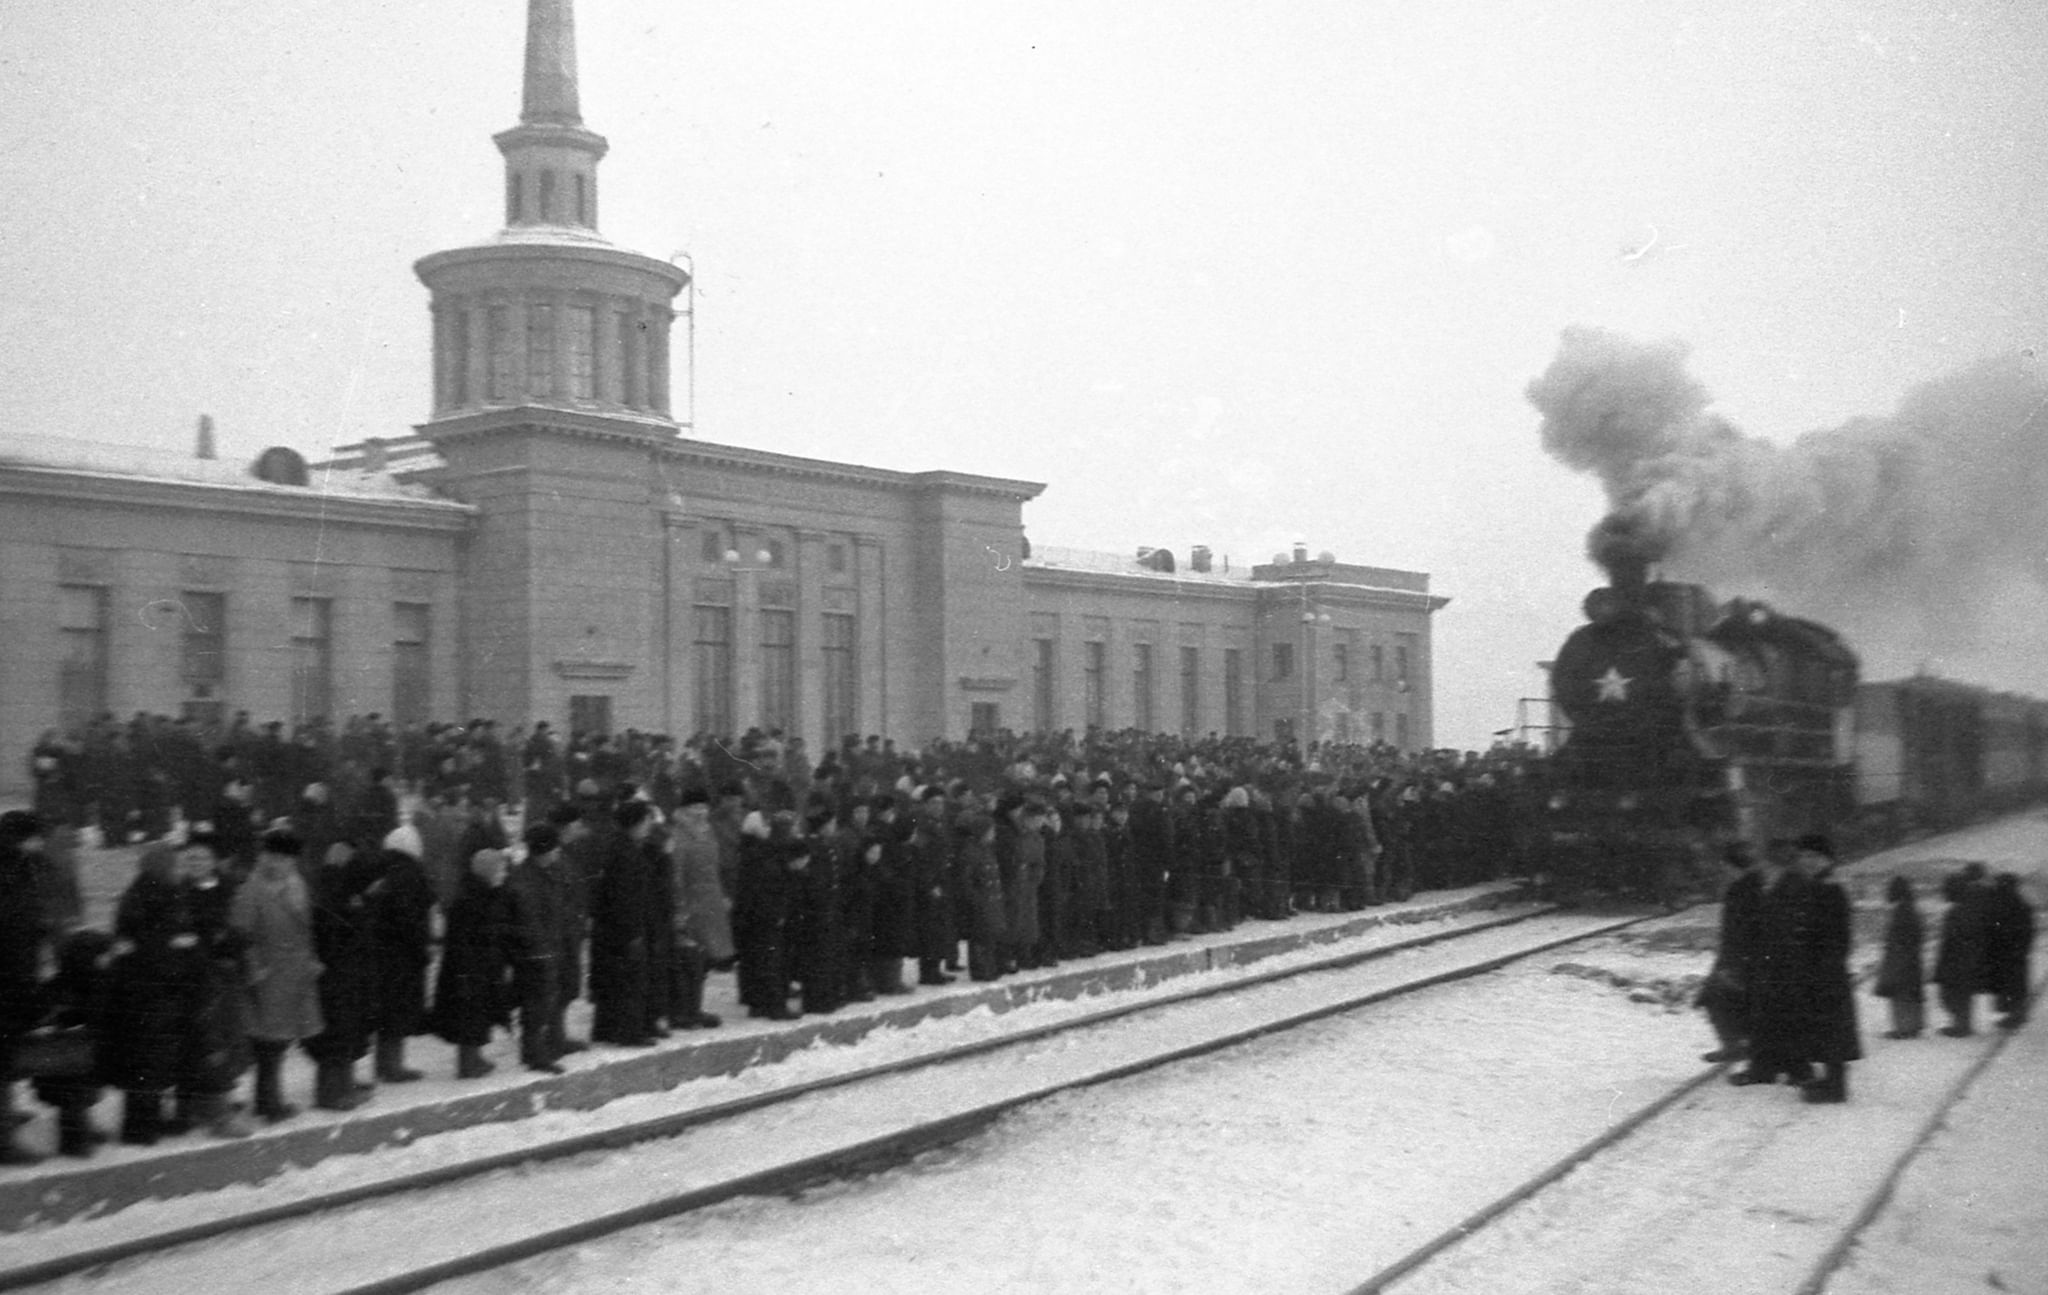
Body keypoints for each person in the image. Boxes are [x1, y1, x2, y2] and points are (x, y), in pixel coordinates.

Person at [229, 828, 324, 1123]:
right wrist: (254, 967)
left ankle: (267, 1100)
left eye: (284, 858)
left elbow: (306, 928)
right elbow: (241, 934)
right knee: (269, 1041)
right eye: (272, 857)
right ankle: (269, 1103)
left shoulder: (298, 885)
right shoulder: (251, 890)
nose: (277, 863)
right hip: (270, 973)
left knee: (281, 1040)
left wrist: (311, 959)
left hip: (295, 971)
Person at [429, 848, 515, 1078]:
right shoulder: (476, 898)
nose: (503, 874)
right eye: (500, 869)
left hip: (474, 966)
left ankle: (473, 1058)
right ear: (489, 871)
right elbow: (472, 937)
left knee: (476, 1014)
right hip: (472, 968)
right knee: (471, 1015)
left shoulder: (476, 893)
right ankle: (468, 1063)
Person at [1, 811, 56, 1164]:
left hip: (17, 974)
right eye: (36, 837)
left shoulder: (21, 867)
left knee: (8, 1054)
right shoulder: (8, 871)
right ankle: (2, 1138)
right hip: (6, 977)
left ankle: (5, 1114)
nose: (41, 843)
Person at [505, 823, 577, 1073]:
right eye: (555, 847)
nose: (559, 852)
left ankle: (541, 1048)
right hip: (535, 952)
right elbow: (530, 919)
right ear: (544, 850)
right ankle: (535, 1053)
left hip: (550, 945)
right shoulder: (526, 880)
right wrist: (541, 950)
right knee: (536, 1003)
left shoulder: (547, 872)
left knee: (546, 999)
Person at [370, 825, 438, 1083]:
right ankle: (393, 1066)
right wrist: (423, 945)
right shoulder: (410, 874)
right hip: (404, 954)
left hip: (385, 951)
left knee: (389, 1010)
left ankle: (384, 1065)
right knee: (398, 1011)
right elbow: (412, 917)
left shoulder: (385, 870)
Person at [666, 788, 731, 1030]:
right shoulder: (680, 835)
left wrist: (722, 894)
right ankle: (682, 1010)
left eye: (704, 807)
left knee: (704, 959)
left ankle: (694, 1007)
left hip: (710, 902)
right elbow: (676, 875)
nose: (701, 812)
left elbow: (715, 866)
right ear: (684, 810)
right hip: (691, 903)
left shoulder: (708, 832)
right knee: (688, 959)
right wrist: (680, 908)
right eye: (695, 807)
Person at [1697, 841, 1763, 1063]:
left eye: (1725, 866)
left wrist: (1733, 961)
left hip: (1739, 958)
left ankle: (1736, 1046)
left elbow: (1743, 929)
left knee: (1715, 998)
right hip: (1736, 956)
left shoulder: (1744, 889)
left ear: (1733, 866)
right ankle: (1735, 1045)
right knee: (1722, 1000)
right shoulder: (1748, 886)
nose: (1723, 871)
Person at [1931, 866, 1990, 1037]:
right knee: (1960, 993)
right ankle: (1962, 1024)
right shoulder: (1967, 907)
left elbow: (1951, 939)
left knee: (1954, 994)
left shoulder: (1958, 911)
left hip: (1958, 959)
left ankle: (1961, 1026)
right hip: (1967, 958)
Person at [1874, 875, 1927, 1039]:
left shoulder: (1900, 911)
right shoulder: (1912, 908)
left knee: (1900, 993)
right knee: (1911, 992)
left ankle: (1903, 1029)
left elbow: (1896, 937)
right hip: (1912, 958)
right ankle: (1914, 1026)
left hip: (1900, 958)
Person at [1983, 872, 2035, 1030]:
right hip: (2016, 954)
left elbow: (1994, 929)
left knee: (2008, 986)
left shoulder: (2001, 904)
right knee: (2015, 985)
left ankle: (2014, 1016)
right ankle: (2016, 1014)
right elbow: (2028, 931)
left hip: (2005, 953)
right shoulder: (2021, 904)